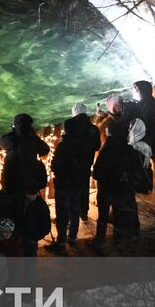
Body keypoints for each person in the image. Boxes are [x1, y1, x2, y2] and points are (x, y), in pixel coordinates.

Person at [48, 104, 99, 251]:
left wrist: (56, 171)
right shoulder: (92, 131)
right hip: (82, 174)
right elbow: (96, 147)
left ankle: (61, 241)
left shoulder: (64, 145)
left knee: (62, 211)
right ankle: (73, 237)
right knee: (75, 207)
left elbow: (55, 164)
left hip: (65, 181)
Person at [92, 120, 141, 249]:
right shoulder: (130, 150)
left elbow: (97, 172)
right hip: (122, 189)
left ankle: (99, 240)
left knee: (103, 216)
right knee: (119, 216)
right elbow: (137, 168)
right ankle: (118, 240)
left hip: (106, 189)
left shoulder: (106, 150)